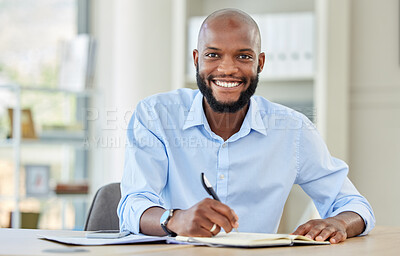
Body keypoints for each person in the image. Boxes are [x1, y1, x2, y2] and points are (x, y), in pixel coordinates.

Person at [117, 8, 375, 244]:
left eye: (243, 56)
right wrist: (175, 220)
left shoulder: (292, 130)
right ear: (196, 59)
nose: (227, 68)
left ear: (260, 63)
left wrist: (339, 222)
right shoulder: (156, 116)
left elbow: (355, 205)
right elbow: (133, 204)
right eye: (212, 55)